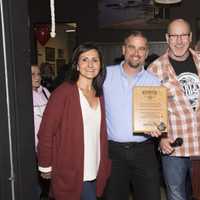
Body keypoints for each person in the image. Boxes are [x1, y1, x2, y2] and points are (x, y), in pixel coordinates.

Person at [37, 42, 111, 200]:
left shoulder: (99, 93)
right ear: (76, 65)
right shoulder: (63, 93)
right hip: (71, 171)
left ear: (100, 65)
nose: (90, 64)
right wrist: (45, 165)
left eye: (95, 60)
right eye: (85, 59)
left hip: (95, 169)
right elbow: (46, 132)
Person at [103, 31, 162, 200]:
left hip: (144, 151)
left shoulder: (154, 81)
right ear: (123, 49)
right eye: (132, 47)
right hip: (113, 152)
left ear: (146, 53)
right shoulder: (105, 75)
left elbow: (159, 116)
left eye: (141, 49)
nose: (136, 53)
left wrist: (159, 128)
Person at [148, 19, 200, 200]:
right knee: (176, 196)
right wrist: (161, 138)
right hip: (174, 149)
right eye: (174, 36)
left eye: (184, 35)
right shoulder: (154, 69)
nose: (179, 41)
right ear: (167, 38)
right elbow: (151, 110)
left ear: (190, 37)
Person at [32, 64, 51, 200]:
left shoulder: (44, 91)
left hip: (45, 145)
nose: (37, 77)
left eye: (38, 74)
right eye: (33, 74)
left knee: (47, 184)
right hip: (32, 148)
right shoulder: (22, 94)